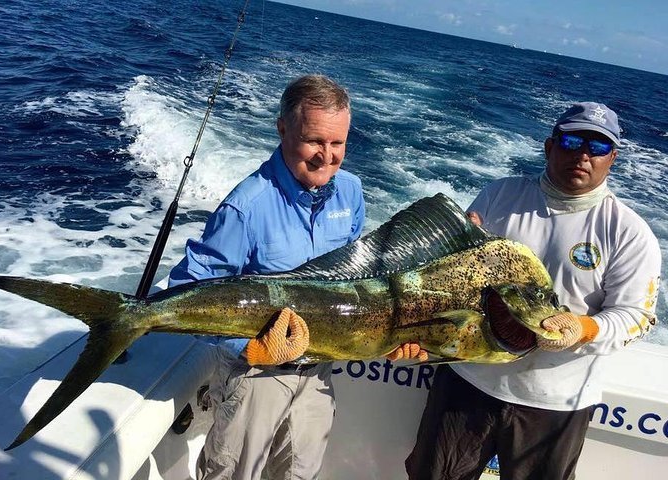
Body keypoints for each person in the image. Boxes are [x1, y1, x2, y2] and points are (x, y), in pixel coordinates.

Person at [405, 102, 662, 480]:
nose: (583, 155)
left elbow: (636, 317)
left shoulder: (629, 232)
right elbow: (450, 282)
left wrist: (584, 328)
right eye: (572, 141)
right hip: (468, 382)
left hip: (555, 404)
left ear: (613, 158)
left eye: (598, 147)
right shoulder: (499, 196)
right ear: (549, 146)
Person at [168, 74, 366, 480]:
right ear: (282, 129)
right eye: (314, 140)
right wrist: (251, 347)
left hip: (318, 374)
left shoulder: (351, 192)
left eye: (337, 144)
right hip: (255, 376)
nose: (326, 156)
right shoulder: (245, 208)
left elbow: (358, 280)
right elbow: (187, 291)